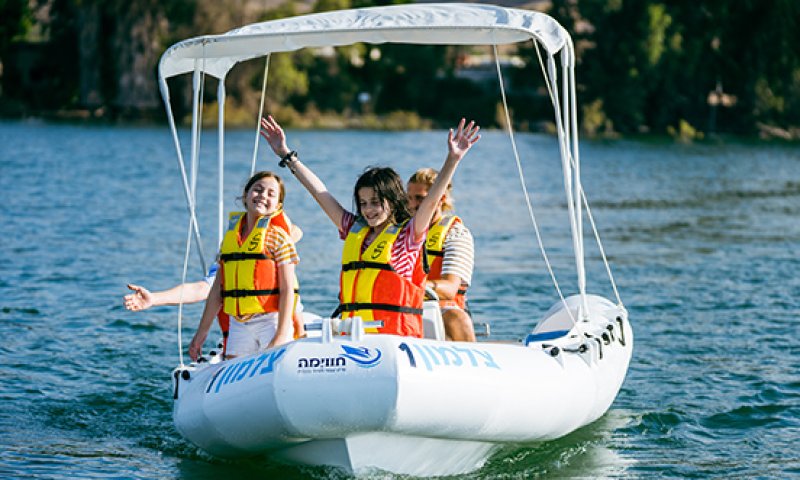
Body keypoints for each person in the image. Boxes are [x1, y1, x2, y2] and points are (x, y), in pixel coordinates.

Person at [260, 115, 480, 338]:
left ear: (393, 200)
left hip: (394, 340)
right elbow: (320, 193)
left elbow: (431, 201)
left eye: (376, 202)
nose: (368, 210)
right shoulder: (354, 228)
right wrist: (287, 156)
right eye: (363, 203)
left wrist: (453, 159)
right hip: (355, 337)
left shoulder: (407, 236)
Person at [189, 171, 300, 361]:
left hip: (270, 320)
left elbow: (288, 289)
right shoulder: (230, 239)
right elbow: (217, 290)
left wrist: (281, 334)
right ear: (245, 196)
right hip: (239, 324)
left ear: (278, 206)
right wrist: (201, 333)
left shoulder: (278, 237)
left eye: (271, 194)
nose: (263, 196)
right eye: (257, 190)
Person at [407, 168, 476, 342]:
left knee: (458, 318)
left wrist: (407, 287)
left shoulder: (456, 233)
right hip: (406, 306)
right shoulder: (400, 232)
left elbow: (450, 289)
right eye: (408, 198)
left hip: (441, 311)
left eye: (420, 198)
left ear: (441, 198)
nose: (412, 205)